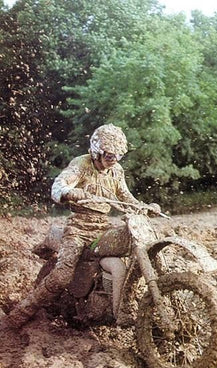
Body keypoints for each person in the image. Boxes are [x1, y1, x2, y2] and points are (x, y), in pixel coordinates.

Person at [6, 123, 160, 328]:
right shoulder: (81, 164)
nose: (113, 160)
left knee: (119, 266)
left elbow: (125, 197)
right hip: (78, 228)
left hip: (102, 229)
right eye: (109, 156)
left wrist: (144, 207)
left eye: (117, 156)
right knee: (62, 276)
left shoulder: (116, 172)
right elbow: (59, 185)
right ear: (97, 152)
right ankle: (22, 312)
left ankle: (119, 313)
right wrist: (70, 192)